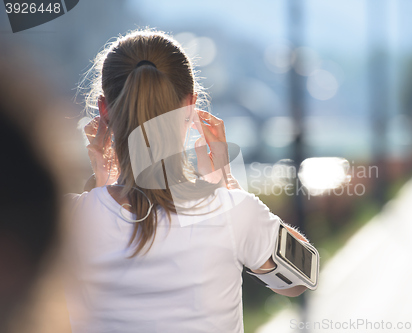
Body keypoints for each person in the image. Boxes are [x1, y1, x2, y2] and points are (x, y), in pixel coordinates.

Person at [65, 28, 311, 333]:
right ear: (190, 107)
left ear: (104, 110)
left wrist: (102, 183)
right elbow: (301, 278)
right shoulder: (232, 213)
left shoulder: (66, 219)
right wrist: (227, 184)